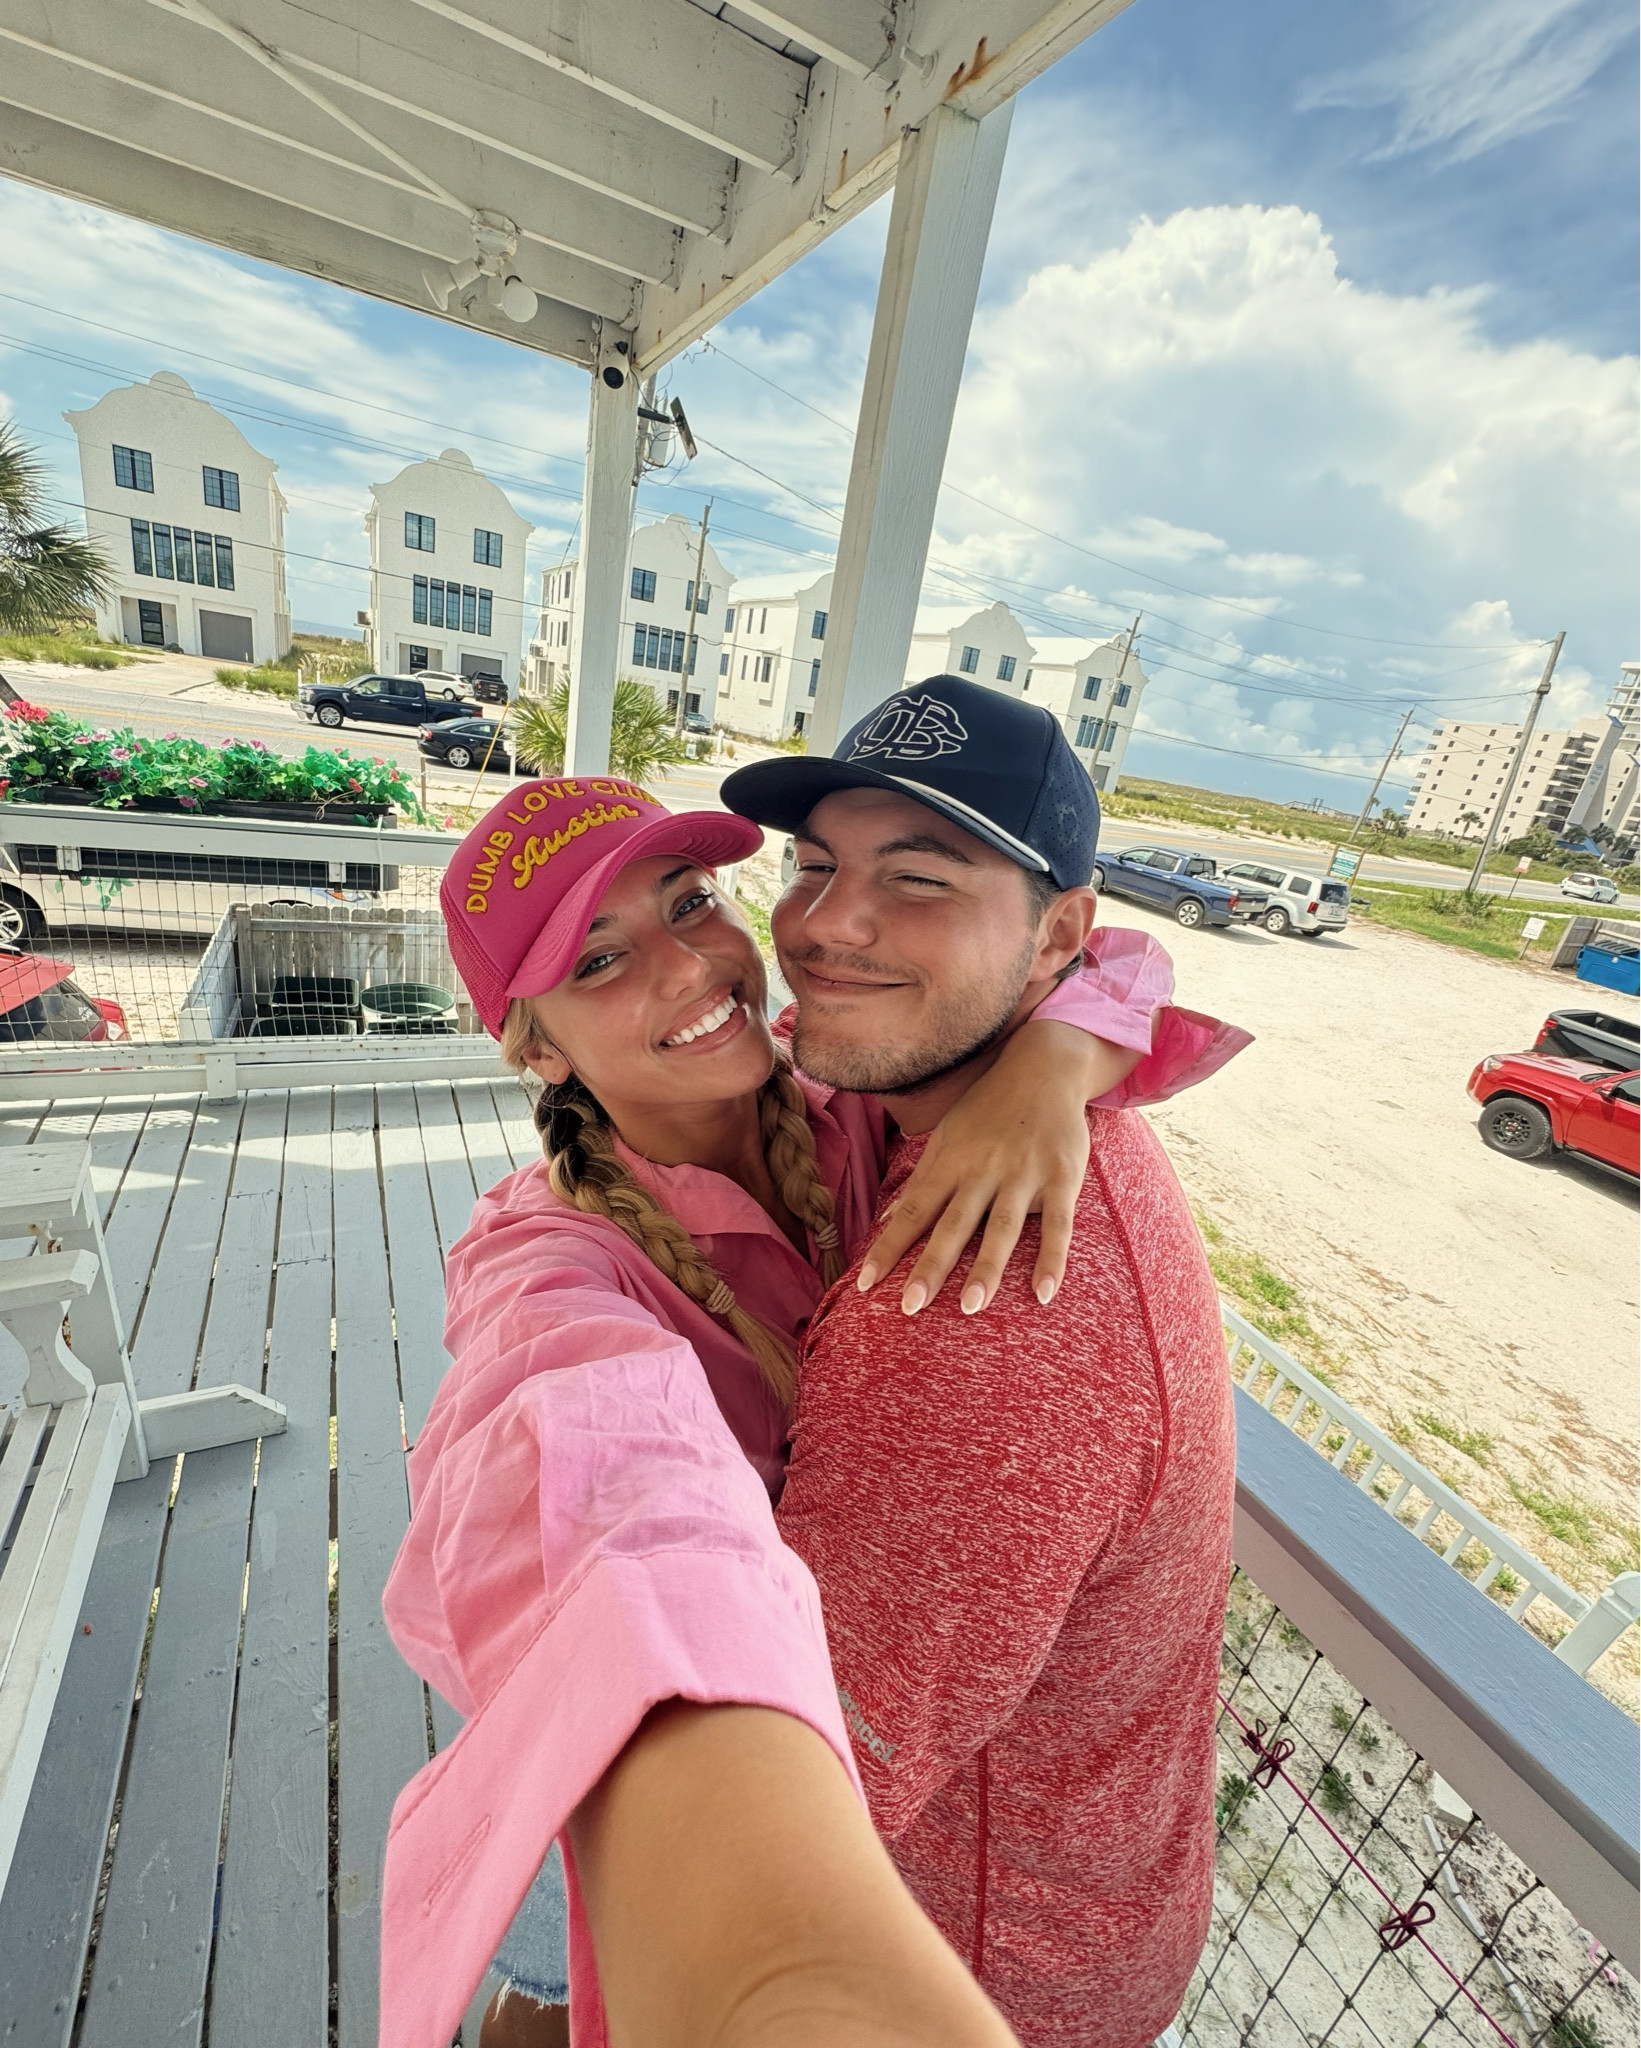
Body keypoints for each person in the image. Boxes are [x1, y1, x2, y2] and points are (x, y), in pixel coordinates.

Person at [377, 746, 1239, 2047]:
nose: (687, 969)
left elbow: (1108, 961)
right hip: (649, 1715)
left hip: (886, 1788)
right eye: (597, 962)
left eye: (687, 904)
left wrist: (1053, 1060)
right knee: (551, 1977)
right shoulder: (550, 1261)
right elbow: (583, 1451)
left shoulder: (847, 1104)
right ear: (531, 1046)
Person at [720, 677, 1240, 2047]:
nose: (827, 926)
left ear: (1059, 934)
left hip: (965, 1973)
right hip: (1093, 1895)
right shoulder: (928, 1088)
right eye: (816, 866)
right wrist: (1063, 1046)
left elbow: (783, 1795)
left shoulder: (973, 1303)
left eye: (919, 877)